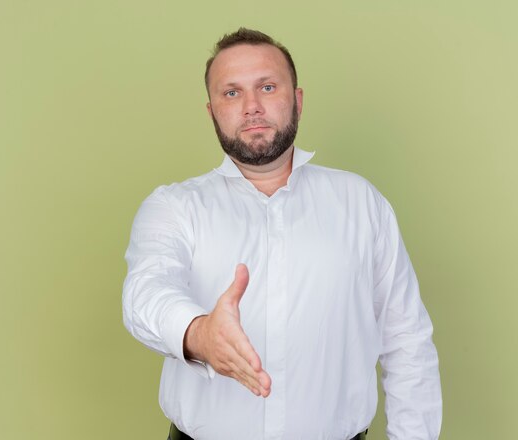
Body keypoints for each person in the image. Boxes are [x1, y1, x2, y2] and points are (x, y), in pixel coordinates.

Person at [123, 28, 442, 440]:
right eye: (232, 93)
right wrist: (199, 334)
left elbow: (407, 342)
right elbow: (144, 293)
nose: (252, 106)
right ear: (212, 111)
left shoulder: (362, 203)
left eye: (267, 87)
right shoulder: (174, 208)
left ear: (298, 100)